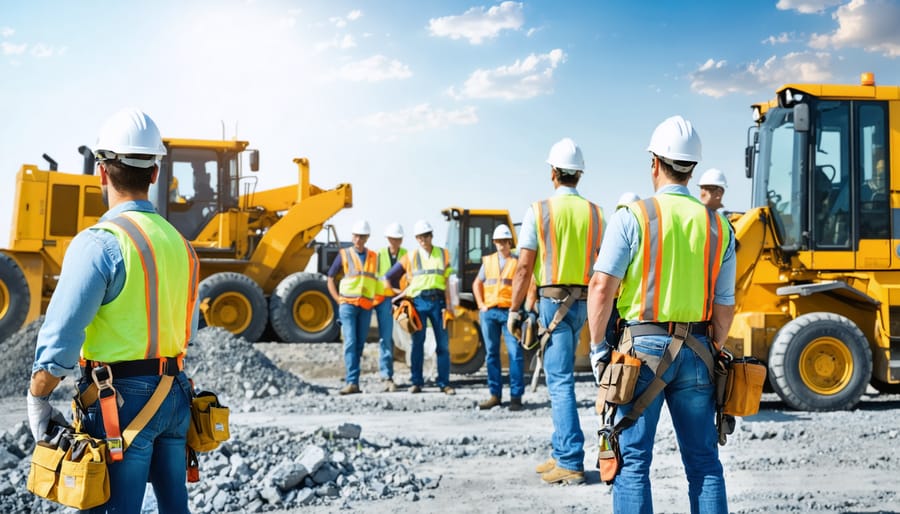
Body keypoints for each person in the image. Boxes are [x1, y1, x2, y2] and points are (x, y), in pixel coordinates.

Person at [28, 108, 200, 513]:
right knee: (175, 508)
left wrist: (39, 396)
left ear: (101, 172)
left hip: (117, 403)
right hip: (174, 395)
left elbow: (63, 333)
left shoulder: (100, 243)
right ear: (155, 173)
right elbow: (187, 329)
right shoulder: (183, 246)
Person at [586, 115, 736, 513]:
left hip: (640, 354)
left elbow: (601, 287)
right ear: (693, 168)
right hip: (700, 350)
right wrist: (712, 348)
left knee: (633, 463)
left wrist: (598, 349)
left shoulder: (632, 217)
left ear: (655, 162)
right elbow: (725, 304)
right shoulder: (719, 227)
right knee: (704, 463)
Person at [508, 137, 604, 485]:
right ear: (579, 174)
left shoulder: (539, 210)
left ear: (553, 173)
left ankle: (570, 460)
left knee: (560, 381)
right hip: (582, 303)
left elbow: (523, 267)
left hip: (553, 303)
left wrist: (515, 309)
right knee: (560, 379)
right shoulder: (596, 213)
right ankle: (561, 450)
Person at [384, 219, 455, 395]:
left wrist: (450, 305)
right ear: (416, 239)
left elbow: (448, 282)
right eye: (420, 237)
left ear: (431, 236)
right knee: (417, 343)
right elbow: (388, 277)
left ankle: (444, 383)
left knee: (443, 345)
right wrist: (400, 296)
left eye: (426, 236)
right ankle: (416, 382)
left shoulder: (443, 254)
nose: (423, 239)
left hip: (438, 302)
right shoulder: (410, 256)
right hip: (417, 302)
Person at [472, 224, 525, 411]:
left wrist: (517, 308)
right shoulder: (487, 262)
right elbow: (477, 283)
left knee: (515, 354)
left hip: (509, 313)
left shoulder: (517, 262)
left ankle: (516, 397)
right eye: (498, 241)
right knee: (491, 354)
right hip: (490, 313)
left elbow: (526, 285)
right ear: (494, 242)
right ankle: (495, 395)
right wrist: (481, 305)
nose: (502, 245)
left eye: (504, 241)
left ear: (510, 242)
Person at [327, 220, 378, 395]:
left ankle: (354, 382)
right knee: (350, 342)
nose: (359, 239)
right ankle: (351, 382)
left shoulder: (373, 256)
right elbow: (330, 277)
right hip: (347, 305)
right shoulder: (344, 254)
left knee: (359, 344)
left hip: (365, 306)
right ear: (352, 237)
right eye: (356, 236)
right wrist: (337, 299)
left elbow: (376, 280)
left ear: (367, 238)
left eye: (362, 236)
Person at [372, 222, 407, 392]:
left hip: (402, 299)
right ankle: (387, 375)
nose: (395, 242)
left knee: (409, 336)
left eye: (398, 239)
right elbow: (376, 277)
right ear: (388, 239)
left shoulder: (406, 254)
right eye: (392, 239)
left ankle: (415, 374)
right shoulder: (379, 255)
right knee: (386, 338)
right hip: (384, 299)